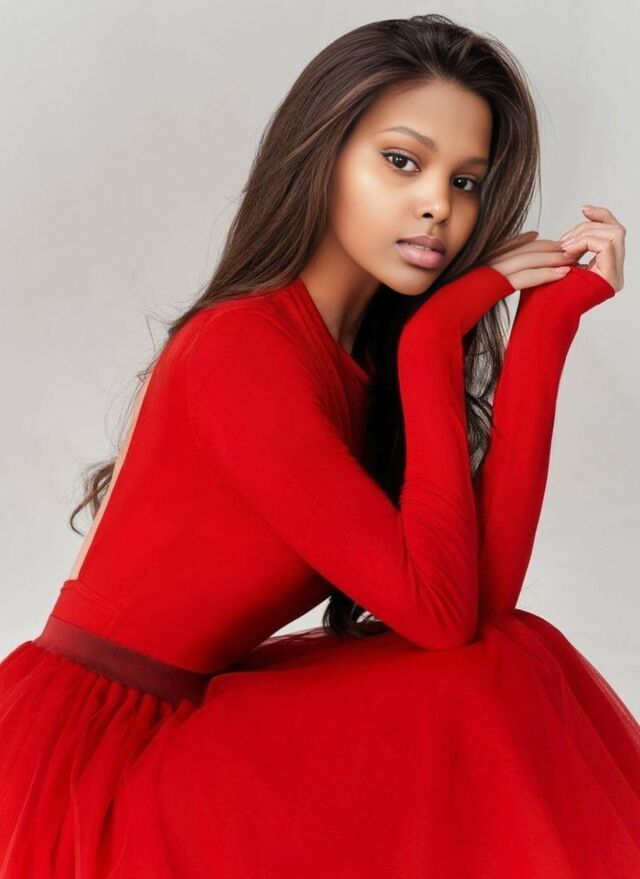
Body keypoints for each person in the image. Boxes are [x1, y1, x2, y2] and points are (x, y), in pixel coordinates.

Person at [1, 13, 638, 878]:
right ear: (322, 155)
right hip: (93, 763)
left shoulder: (364, 365)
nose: (439, 206)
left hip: (184, 724)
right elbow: (441, 617)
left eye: (466, 181)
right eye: (403, 161)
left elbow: (481, 603)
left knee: (511, 659)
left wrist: (547, 327)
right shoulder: (242, 348)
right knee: (489, 685)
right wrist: (435, 333)